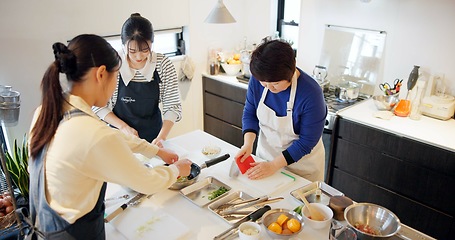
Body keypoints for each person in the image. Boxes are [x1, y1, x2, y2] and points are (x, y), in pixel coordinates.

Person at [28, 34, 192, 239]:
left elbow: (111, 137)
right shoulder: (92, 134)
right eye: (116, 76)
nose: (116, 85)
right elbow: (146, 181)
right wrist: (177, 170)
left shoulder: (46, 112)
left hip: (43, 227)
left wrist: (156, 151)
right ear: (101, 74)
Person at [235, 39, 327, 182]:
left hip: (302, 168)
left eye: (276, 84)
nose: (269, 89)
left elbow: (306, 143)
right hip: (265, 160)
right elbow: (250, 112)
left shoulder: (311, 94)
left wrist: (273, 166)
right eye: (264, 84)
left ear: (290, 72)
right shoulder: (260, 77)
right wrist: (248, 143)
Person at [94, 13, 182, 146]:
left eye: (145, 50)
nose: (139, 56)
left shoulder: (163, 65)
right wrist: (124, 127)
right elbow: (98, 106)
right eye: (132, 51)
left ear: (152, 43)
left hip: (153, 138)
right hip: (119, 137)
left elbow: (173, 106)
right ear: (123, 44)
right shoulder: (113, 65)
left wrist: (162, 138)